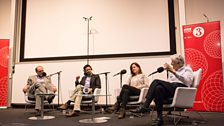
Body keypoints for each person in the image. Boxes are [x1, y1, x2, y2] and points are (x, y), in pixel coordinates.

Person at [132, 54, 194, 126]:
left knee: (156, 81)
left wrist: (173, 72)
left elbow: (187, 82)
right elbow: (169, 83)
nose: (171, 64)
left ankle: (146, 105)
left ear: (178, 63)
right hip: (172, 89)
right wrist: (170, 74)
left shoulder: (187, 69)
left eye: (173, 62)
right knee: (159, 88)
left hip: (181, 90)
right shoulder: (173, 71)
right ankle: (159, 118)